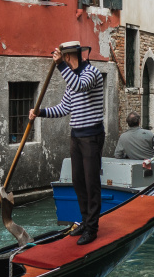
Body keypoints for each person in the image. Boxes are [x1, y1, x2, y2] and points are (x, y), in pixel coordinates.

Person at [30, 41, 105, 245]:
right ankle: (85, 221)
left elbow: (79, 85)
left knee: (91, 183)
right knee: (78, 182)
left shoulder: (92, 73)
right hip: (76, 136)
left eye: (64, 57)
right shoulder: (71, 79)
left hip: (92, 136)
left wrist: (60, 65)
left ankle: (92, 228)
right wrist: (40, 112)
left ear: (68, 56)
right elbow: (64, 108)